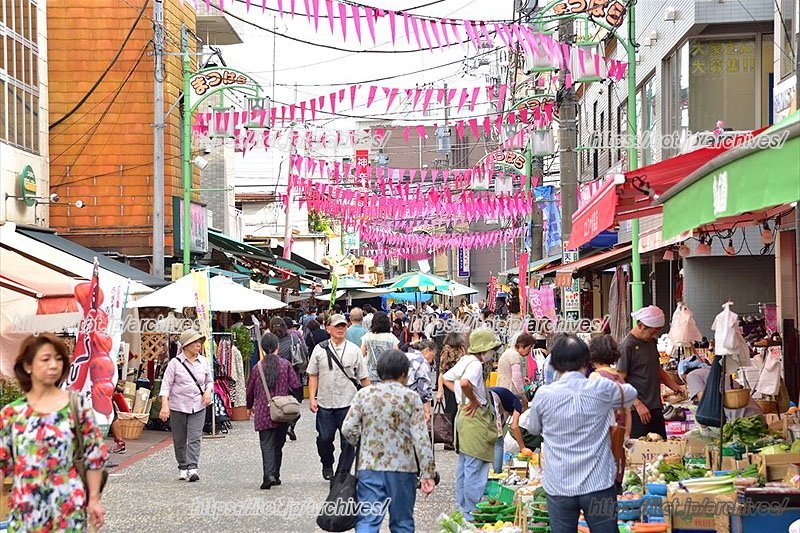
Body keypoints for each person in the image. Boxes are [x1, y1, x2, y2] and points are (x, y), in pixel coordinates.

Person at [523, 334, 638, 533]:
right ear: (587, 362)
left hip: (559, 485)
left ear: (555, 364)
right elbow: (630, 395)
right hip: (598, 484)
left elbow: (533, 428)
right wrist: (618, 380)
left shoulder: (544, 394)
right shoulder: (601, 387)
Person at [0, 334, 108, 531]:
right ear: (27, 365)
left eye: (59, 359)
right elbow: (1, 463)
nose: (53, 365)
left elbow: (94, 456)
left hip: (67, 506)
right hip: (26, 509)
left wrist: (94, 500)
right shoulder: (11, 414)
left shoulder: (77, 406)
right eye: (45, 359)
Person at [342, 349, 436, 532]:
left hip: (370, 466)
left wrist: (364, 443)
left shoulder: (364, 394)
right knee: (402, 523)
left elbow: (348, 428)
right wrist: (428, 473)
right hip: (403, 468)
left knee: (368, 520)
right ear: (403, 373)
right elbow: (421, 438)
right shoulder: (411, 397)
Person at [442, 328, 502, 522]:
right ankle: (471, 512)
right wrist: (473, 400)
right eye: (492, 348)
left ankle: (462, 509)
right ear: (484, 348)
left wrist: (462, 398)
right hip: (475, 418)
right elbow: (466, 383)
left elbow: (446, 378)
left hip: (463, 416)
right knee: (475, 466)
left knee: (465, 465)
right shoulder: (475, 364)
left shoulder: (465, 360)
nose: (493, 352)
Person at [308, 314, 370, 480]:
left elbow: (363, 377)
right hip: (325, 402)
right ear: (328, 329)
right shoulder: (319, 349)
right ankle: (327, 463)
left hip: (348, 402)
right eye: (337, 326)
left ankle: (343, 470)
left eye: (343, 326)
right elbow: (313, 375)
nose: (341, 329)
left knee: (348, 440)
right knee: (324, 438)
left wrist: (372, 398)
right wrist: (312, 398)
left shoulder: (354, 350)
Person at [617, 306, 683, 439]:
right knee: (641, 450)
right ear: (641, 325)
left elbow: (656, 368)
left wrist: (674, 386)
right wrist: (638, 404)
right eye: (652, 332)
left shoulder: (651, 342)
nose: (654, 336)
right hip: (637, 411)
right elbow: (619, 380)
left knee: (661, 448)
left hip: (655, 406)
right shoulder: (627, 346)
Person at [246, 332, 300, 490]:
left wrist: (249, 406)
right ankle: (275, 474)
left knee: (266, 444)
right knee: (278, 443)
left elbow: (250, 390)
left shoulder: (257, 368)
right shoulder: (285, 365)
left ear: (262, 349)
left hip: (264, 411)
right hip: (282, 411)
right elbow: (296, 385)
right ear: (277, 347)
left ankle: (268, 475)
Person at [159, 328, 213, 482]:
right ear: (186, 345)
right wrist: (165, 405)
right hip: (178, 406)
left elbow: (209, 380)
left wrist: (208, 391)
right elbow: (166, 386)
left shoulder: (203, 361)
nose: (198, 344)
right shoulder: (174, 364)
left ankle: (193, 468)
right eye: (195, 342)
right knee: (180, 438)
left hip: (198, 405)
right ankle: (183, 466)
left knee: (195, 437)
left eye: (199, 341)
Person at [588, 335, 633, 492]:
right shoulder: (619, 378)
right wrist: (626, 435)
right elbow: (628, 411)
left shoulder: (595, 377)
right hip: (618, 435)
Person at [271, 317, 307, 442]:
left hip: (274, 377)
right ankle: (290, 425)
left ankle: (280, 427)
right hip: (293, 376)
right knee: (293, 405)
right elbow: (304, 351)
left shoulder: (270, 340)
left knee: (277, 403)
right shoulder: (294, 337)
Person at [488, 386, 530, 474]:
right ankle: (497, 472)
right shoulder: (517, 404)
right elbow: (514, 426)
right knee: (499, 441)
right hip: (491, 397)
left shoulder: (507, 399)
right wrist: (523, 448)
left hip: (483, 396)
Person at [436, 332, 467, 450]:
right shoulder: (448, 349)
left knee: (456, 409)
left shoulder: (457, 349)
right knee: (451, 410)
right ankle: (450, 438)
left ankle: (454, 438)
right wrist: (440, 390)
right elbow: (442, 370)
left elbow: (441, 370)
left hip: (457, 381)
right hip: (451, 381)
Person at [496, 333, 535, 406]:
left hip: (502, 389)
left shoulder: (509, 352)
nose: (529, 351)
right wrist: (523, 396)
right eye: (529, 348)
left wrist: (523, 379)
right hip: (509, 391)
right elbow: (516, 379)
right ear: (521, 346)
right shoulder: (514, 356)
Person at [361, 311, 399, 383]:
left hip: (370, 376)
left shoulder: (367, 336)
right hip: (388, 376)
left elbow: (361, 355)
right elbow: (397, 357)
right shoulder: (391, 338)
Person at [406, 340, 437, 423]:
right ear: (427, 350)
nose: (432, 360)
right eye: (433, 355)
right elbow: (423, 389)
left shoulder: (404, 355)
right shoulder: (422, 362)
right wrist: (427, 412)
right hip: (413, 401)